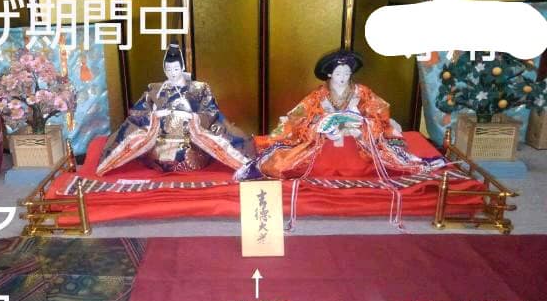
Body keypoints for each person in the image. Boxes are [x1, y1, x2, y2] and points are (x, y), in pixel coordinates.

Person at [237, 49, 444, 181]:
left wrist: (361, 126)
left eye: (346, 73)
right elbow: (300, 117)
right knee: (291, 158)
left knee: (382, 150)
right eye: (338, 73)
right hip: (326, 143)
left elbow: (378, 113)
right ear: (329, 74)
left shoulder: (362, 92)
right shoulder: (319, 95)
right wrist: (321, 127)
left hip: (357, 142)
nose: (343, 77)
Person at [97, 42, 253, 175]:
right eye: (169, 69)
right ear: (164, 69)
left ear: (182, 67)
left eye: (176, 69)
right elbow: (138, 113)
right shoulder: (155, 90)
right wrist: (156, 115)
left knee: (211, 141)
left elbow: (210, 110)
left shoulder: (199, 88)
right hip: (160, 141)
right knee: (153, 151)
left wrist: (193, 117)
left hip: (191, 140)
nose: (172, 73)